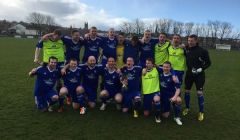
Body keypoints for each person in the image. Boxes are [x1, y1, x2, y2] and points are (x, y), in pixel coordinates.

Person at [183, 34, 211, 121]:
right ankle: (187, 108)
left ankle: (201, 112)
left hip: (199, 75)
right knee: (187, 91)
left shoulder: (203, 51)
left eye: (192, 41)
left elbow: (209, 63)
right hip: (189, 74)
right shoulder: (186, 49)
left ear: (196, 41)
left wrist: (201, 69)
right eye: (189, 41)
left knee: (199, 93)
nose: (190, 42)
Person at [160, 61, 182, 125]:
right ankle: (165, 107)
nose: (165, 68)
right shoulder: (160, 73)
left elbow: (178, 89)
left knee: (178, 100)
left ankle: (177, 117)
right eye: (164, 67)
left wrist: (174, 97)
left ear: (170, 68)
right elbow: (154, 66)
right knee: (165, 116)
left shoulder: (174, 77)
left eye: (167, 67)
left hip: (172, 95)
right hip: (163, 96)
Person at [141, 58, 161, 123]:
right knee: (146, 114)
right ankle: (152, 105)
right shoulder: (142, 71)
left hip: (155, 92)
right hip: (146, 94)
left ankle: (157, 117)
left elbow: (168, 68)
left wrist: (158, 66)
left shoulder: (156, 70)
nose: (147, 64)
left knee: (157, 100)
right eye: (146, 63)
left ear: (153, 64)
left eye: (149, 63)